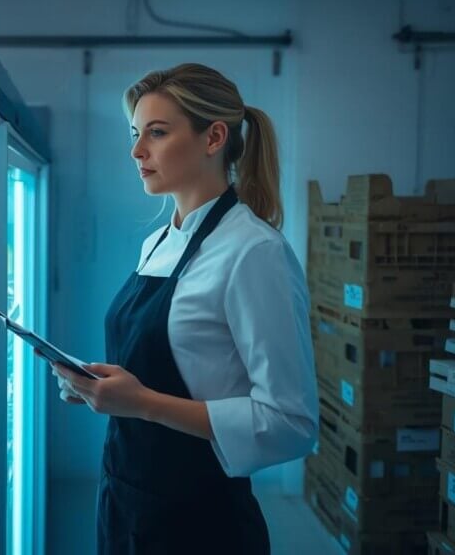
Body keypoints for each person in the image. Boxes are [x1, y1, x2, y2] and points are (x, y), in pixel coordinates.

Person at [52, 63, 318, 555]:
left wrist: (143, 404)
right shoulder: (157, 243)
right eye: (135, 134)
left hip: (199, 524)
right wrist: (98, 388)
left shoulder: (255, 251)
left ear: (213, 137)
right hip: (125, 500)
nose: (136, 151)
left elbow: (292, 424)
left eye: (156, 132)